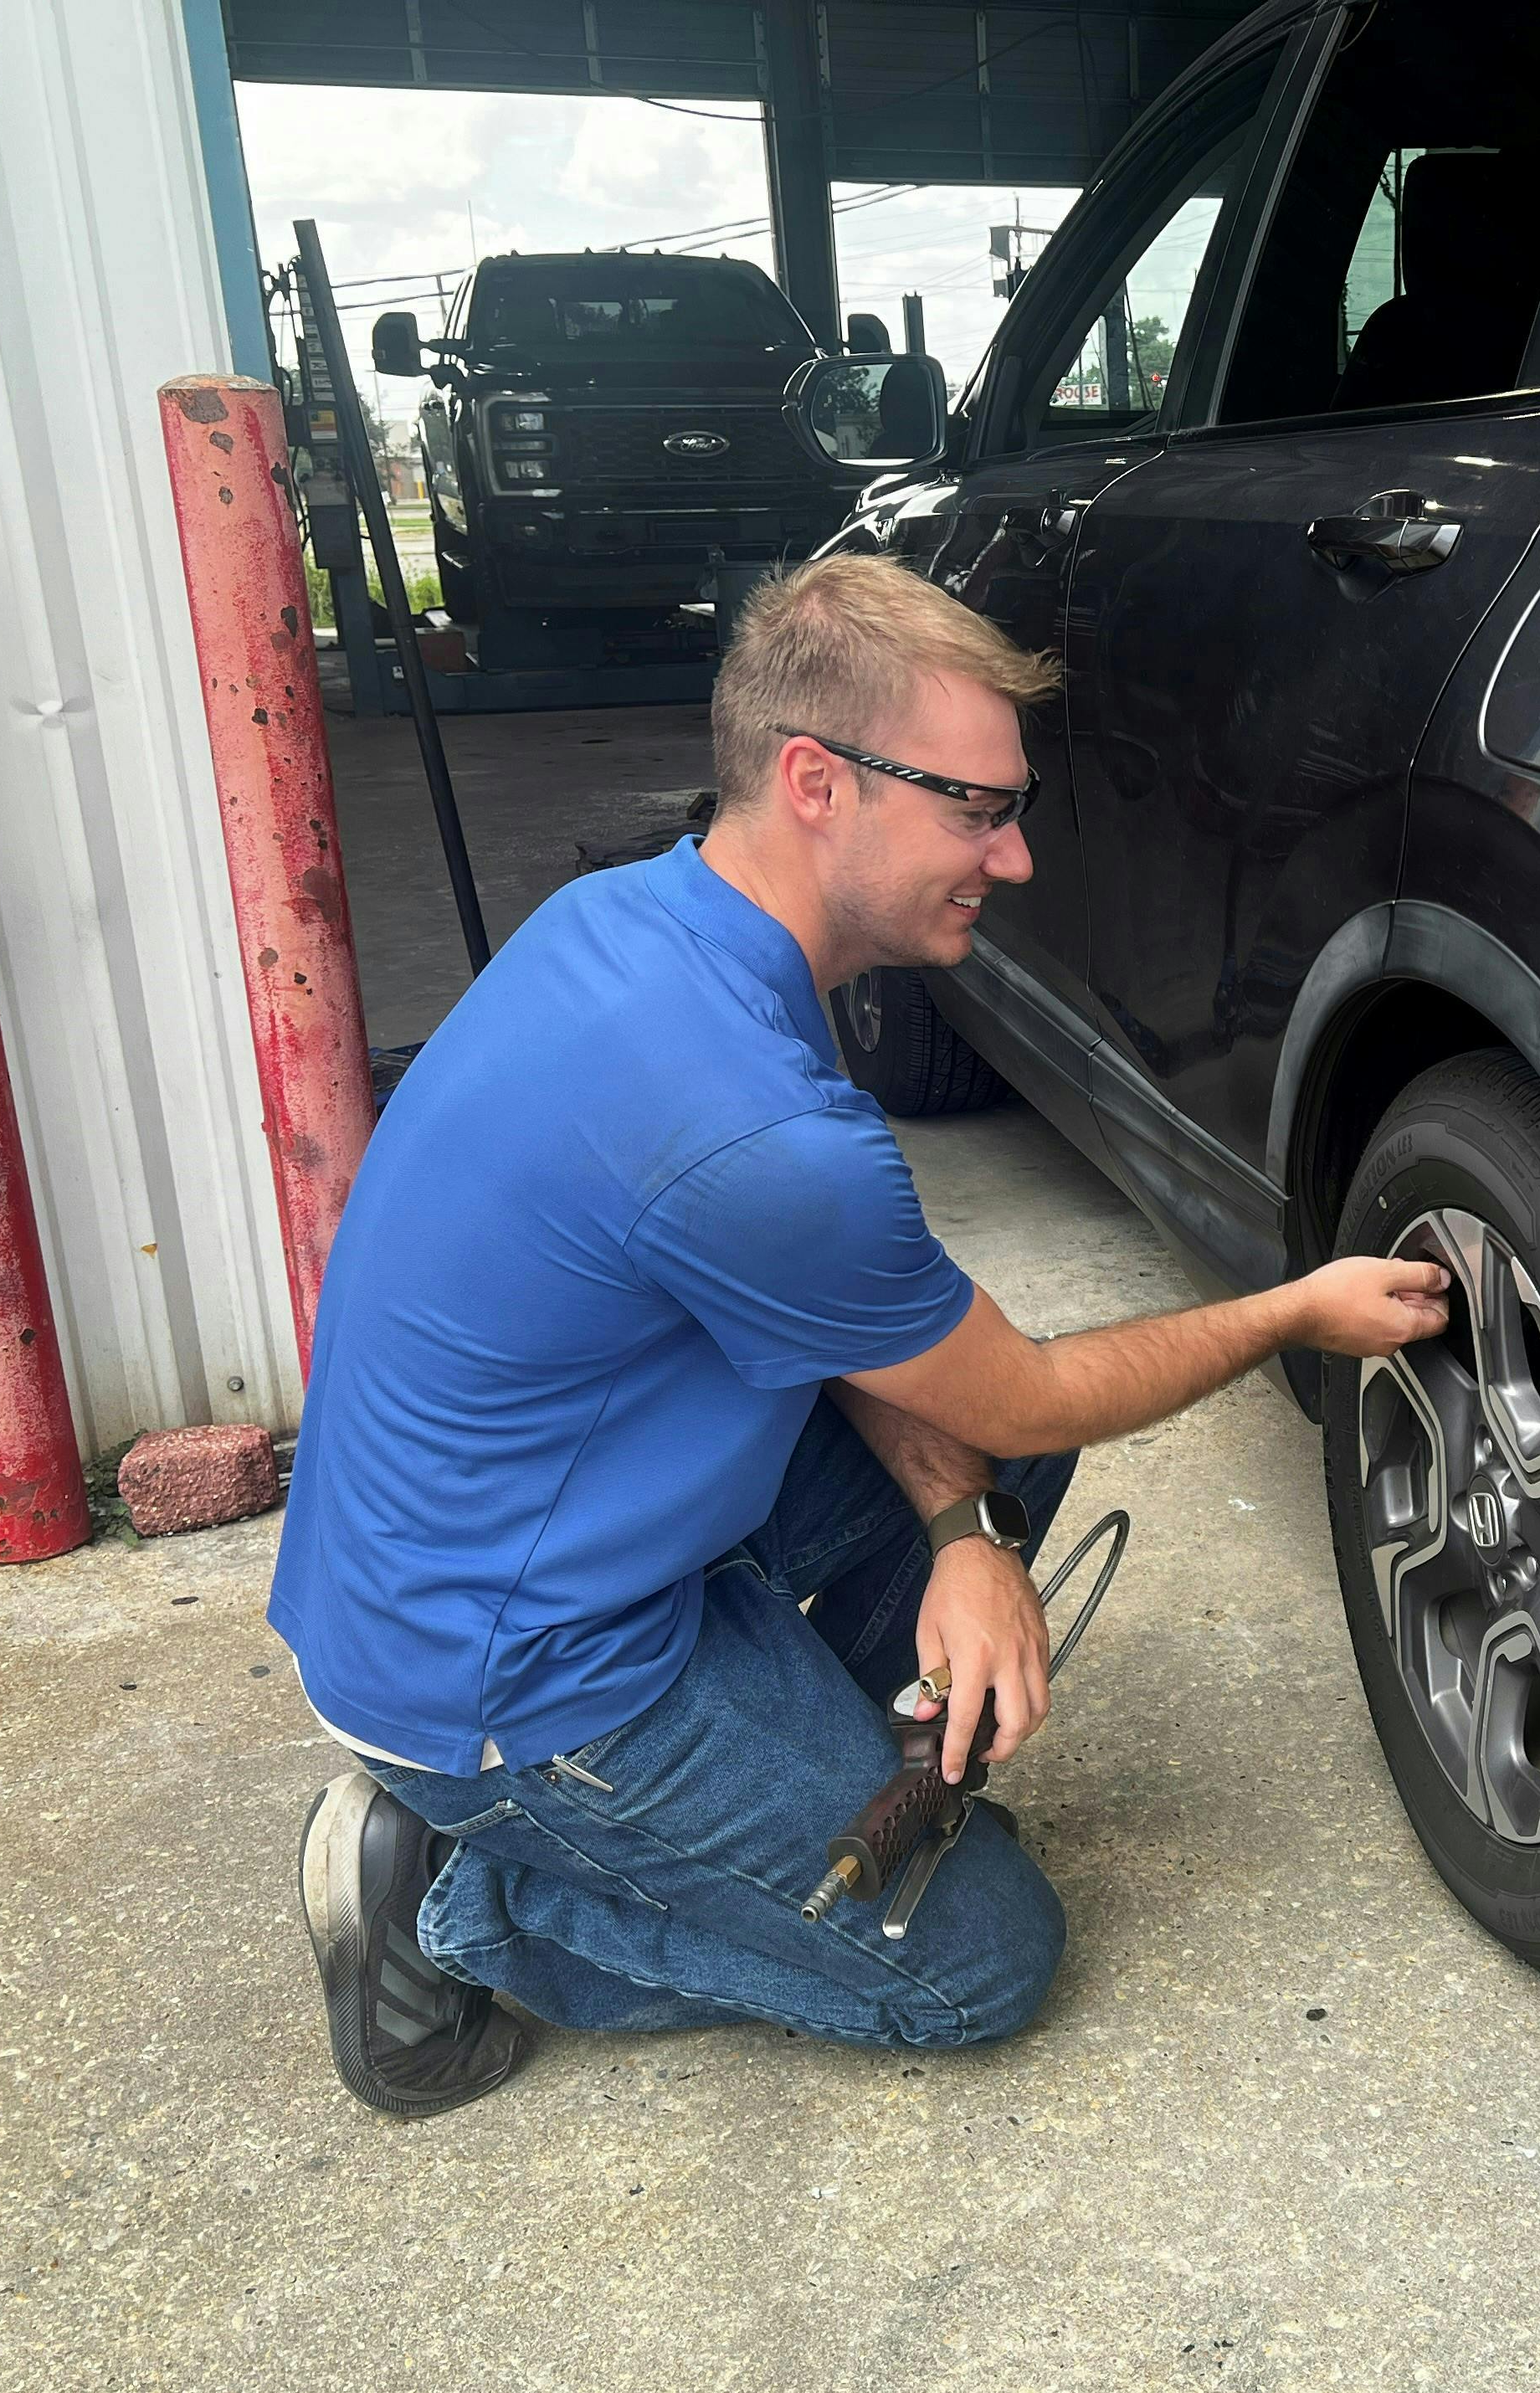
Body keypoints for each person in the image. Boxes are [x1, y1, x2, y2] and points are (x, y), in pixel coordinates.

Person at [273, 555, 1449, 2118]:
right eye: (976, 810)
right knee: (978, 1958)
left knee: (999, 1430)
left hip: (509, 1549)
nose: (1014, 857)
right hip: (509, 1680)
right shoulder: (749, 1122)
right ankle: (456, 1893)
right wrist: (1297, 1308)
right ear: (817, 783)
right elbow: (1016, 1393)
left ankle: (747, 1776)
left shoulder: (652, 928)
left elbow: (886, 1343)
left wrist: (967, 1536)